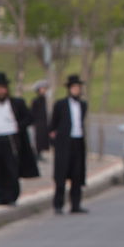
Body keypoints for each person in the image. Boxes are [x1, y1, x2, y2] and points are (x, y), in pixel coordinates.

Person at [0, 72, 31, 206]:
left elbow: (28, 118)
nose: (0, 91)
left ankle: (11, 196)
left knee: (10, 169)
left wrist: (17, 126)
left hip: (9, 139)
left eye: (3, 88)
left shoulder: (16, 103)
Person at [48, 74, 89, 215]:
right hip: (64, 143)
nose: (76, 90)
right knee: (61, 175)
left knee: (77, 174)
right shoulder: (60, 105)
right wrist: (55, 141)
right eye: (74, 88)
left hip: (78, 141)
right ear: (69, 89)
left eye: (78, 88)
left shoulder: (83, 105)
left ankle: (76, 204)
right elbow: (53, 126)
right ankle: (58, 204)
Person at [30, 81, 50, 163]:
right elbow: (32, 112)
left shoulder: (44, 99)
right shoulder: (36, 100)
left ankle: (40, 153)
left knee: (42, 139)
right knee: (37, 139)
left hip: (43, 122)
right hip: (38, 122)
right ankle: (36, 154)